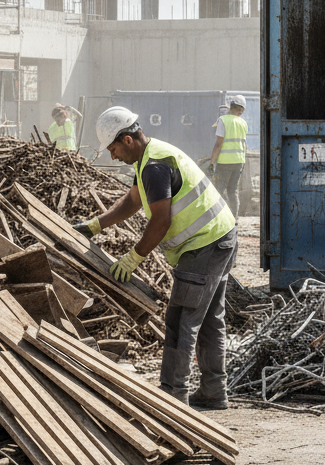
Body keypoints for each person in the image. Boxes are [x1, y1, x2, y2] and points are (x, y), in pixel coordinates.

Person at [76, 106, 237, 410]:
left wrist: (132, 258)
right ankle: (214, 392)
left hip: (203, 245)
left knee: (180, 320)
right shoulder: (149, 157)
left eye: (112, 149)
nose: (112, 157)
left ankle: (173, 397)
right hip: (220, 235)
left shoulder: (155, 166)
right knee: (209, 321)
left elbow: (160, 222)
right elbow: (134, 200)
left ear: (126, 139)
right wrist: (97, 224)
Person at [209, 93, 248, 219]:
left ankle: (217, 217)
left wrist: (211, 162)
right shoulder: (243, 123)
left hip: (225, 162)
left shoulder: (223, 121)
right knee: (233, 191)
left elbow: (219, 144)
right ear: (240, 109)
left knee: (218, 190)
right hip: (239, 162)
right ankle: (234, 219)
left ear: (231, 106)